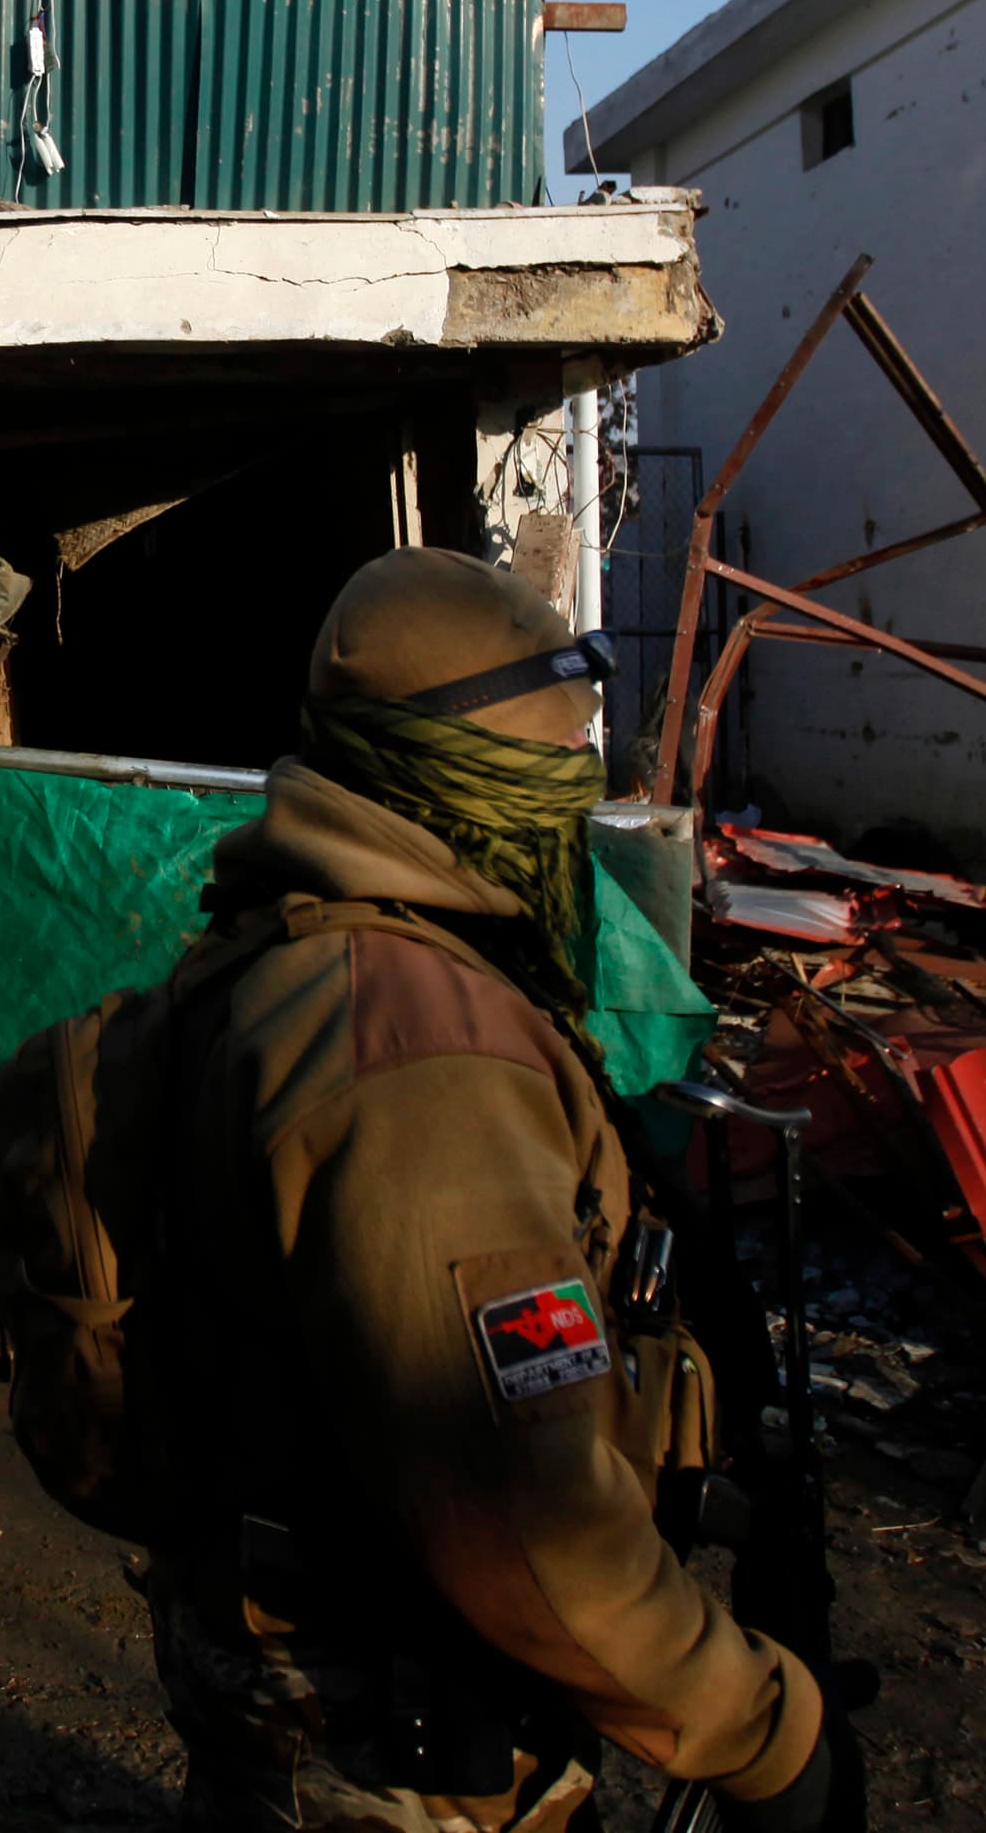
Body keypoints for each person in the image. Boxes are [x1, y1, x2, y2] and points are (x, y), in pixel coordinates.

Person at [138, 547, 853, 1832]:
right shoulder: (414, 1051)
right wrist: (759, 1731)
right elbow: (518, 1520)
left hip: (311, 1648)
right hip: (397, 1719)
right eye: (558, 746)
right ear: (457, 763)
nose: (590, 780)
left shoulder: (306, 951)